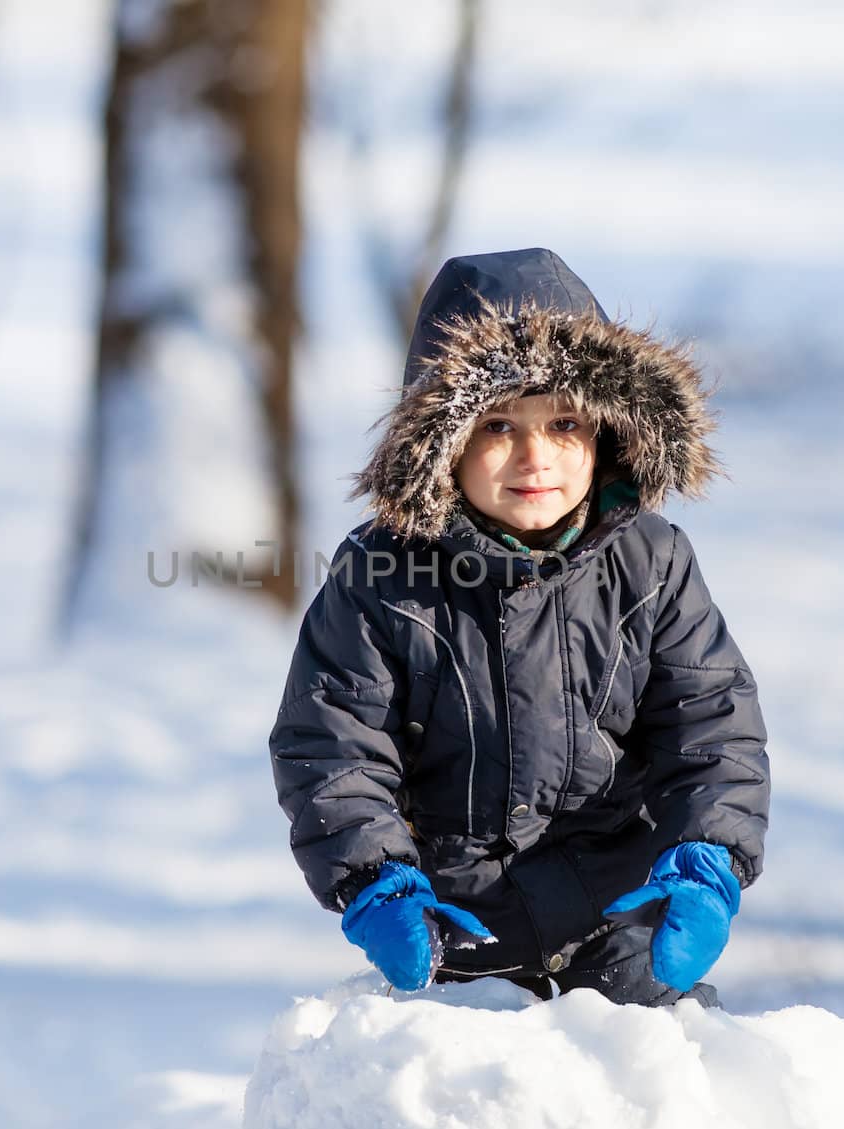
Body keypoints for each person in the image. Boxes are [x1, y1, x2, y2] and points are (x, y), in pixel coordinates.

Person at [268, 247, 769, 1006]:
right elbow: (332, 743)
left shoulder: (651, 563)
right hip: (455, 923)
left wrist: (707, 857)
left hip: (620, 915)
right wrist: (376, 879)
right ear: (444, 444)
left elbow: (710, 723)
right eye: (499, 424)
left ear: (608, 429)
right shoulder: (381, 577)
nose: (537, 457)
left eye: (565, 422)